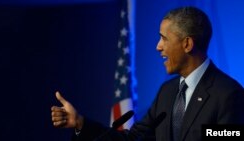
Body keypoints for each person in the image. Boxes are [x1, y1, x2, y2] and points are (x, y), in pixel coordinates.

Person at [51, 6, 244, 141]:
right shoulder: (167, 92)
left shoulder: (228, 94)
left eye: (164, 38)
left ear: (187, 44)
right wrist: (80, 123)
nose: (158, 47)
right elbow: (133, 138)